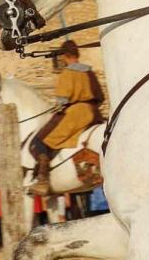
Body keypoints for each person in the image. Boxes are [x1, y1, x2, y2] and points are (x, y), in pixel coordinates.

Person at [29, 40, 105, 196]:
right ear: (77, 54)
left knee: (41, 140)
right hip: (94, 113)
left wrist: (58, 107)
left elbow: (62, 101)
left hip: (75, 114)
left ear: (65, 56)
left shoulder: (66, 74)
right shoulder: (89, 72)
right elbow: (100, 97)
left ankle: (43, 181)